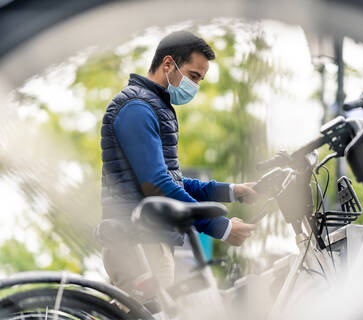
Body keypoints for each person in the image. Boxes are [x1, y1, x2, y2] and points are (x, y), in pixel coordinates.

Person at [99, 30, 258, 304]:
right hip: (138, 241)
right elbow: (156, 184)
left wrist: (232, 191)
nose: (195, 86)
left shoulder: (153, 106)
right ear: (168, 64)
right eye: (194, 76)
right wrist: (222, 228)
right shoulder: (137, 107)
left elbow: (175, 183)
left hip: (147, 240)